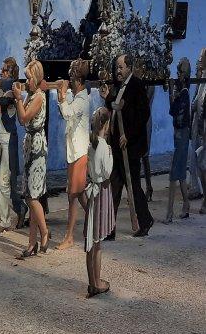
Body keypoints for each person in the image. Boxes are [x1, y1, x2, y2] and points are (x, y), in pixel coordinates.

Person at [106, 54, 154, 238]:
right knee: (115, 187)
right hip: (118, 145)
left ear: (129, 68)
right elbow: (115, 108)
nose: (117, 71)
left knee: (133, 186)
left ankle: (145, 220)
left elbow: (143, 114)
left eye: (120, 67)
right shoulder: (119, 86)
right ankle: (110, 229)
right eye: (116, 67)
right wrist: (107, 97)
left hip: (131, 147)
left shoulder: (136, 85)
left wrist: (129, 135)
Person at [12, 60, 50, 257]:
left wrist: (18, 99)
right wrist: (20, 98)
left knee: (32, 195)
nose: (26, 82)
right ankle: (31, 242)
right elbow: (21, 119)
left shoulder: (39, 97)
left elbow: (24, 117)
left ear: (35, 78)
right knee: (29, 194)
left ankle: (44, 232)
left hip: (37, 145)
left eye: (28, 78)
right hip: (29, 144)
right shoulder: (31, 95)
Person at [0, 57, 25, 232]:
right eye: (1, 69)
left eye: (4, 70)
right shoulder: (6, 89)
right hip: (2, 138)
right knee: (1, 182)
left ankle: (20, 208)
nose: (1, 72)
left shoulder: (11, 90)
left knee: (6, 182)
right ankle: (4, 220)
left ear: (11, 72)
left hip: (9, 139)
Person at [56, 59, 90, 250]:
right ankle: (94, 219)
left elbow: (68, 113)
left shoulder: (83, 101)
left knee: (72, 195)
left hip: (79, 152)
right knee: (79, 193)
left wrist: (61, 96)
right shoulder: (77, 97)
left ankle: (69, 237)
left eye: (71, 76)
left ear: (77, 79)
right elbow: (66, 110)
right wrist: (62, 94)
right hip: (74, 151)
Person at [84, 107, 114, 297]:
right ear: (105, 124)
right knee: (97, 243)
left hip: (92, 192)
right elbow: (108, 172)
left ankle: (92, 281)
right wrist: (110, 154)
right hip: (101, 192)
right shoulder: (104, 146)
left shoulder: (91, 146)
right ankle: (97, 282)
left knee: (90, 241)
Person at [164, 57, 191, 223]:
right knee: (179, 174)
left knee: (174, 174)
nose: (178, 75)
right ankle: (186, 205)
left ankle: (170, 212)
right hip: (179, 135)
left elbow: (174, 112)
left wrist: (171, 92)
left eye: (180, 72)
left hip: (181, 135)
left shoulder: (184, 93)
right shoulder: (182, 92)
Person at [188, 48, 206, 204]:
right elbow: (196, 101)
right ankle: (196, 187)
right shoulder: (201, 79)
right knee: (194, 157)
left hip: (203, 124)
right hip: (196, 123)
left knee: (201, 159)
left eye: (201, 58)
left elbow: (201, 102)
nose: (199, 60)